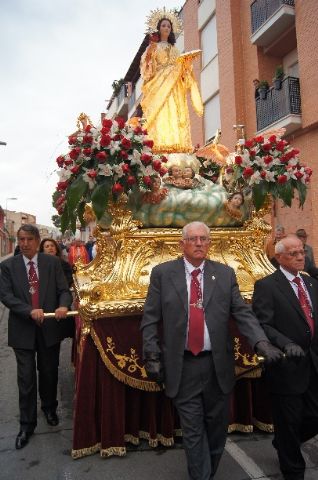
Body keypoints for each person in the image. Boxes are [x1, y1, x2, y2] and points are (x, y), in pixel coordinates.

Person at [141, 221, 283, 480]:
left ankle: (206, 473)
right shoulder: (162, 274)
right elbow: (150, 319)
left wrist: (261, 342)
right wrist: (151, 355)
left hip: (217, 366)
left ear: (209, 243)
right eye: (193, 239)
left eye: (203, 239)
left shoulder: (225, 274)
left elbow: (242, 312)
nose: (198, 243)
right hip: (182, 366)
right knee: (193, 432)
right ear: (182, 243)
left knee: (217, 432)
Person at [0, 224, 72, 449]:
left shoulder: (52, 263)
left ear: (37, 240)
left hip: (49, 327)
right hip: (23, 329)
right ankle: (26, 423)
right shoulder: (8, 266)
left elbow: (64, 290)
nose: (24, 244)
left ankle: (50, 409)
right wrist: (28, 311)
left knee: (49, 372)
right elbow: (6, 296)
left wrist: (62, 306)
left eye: (29, 239)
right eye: (21, 239)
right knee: (26, 378)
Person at [252, 234, 318, 480]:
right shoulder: (267, 286)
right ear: (279, 257)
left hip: (313, 363)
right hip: (287, 366)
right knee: (289, 422)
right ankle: (293, 472)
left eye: (302, 252)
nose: (300, 257)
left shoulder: (312, 284)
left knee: (312, 417)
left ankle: (285, 442)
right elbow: (264, 324)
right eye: (293, 253)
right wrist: (285, 343)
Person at [140, 9, 203, 153]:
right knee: (160, 111)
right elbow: (147, 68)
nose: (166, 28)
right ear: (158, 28)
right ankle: (159, 143)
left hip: (174, 87)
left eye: (168, 26)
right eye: (163, 25)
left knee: (173, 111)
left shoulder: (175, 49)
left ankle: (175, 142)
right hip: (158, 85)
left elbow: (180, 68)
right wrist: (150, 50)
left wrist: (186, 65)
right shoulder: (153, 47)